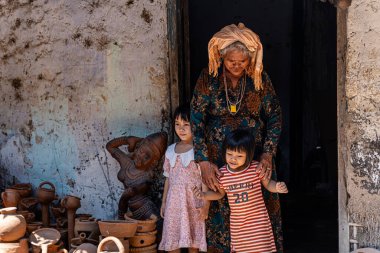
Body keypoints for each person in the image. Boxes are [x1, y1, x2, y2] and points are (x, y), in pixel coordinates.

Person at [190, 23, 283, 252]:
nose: (237, 65)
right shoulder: (208, 78)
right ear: (222, 57)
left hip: (253, 156)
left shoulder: (258, 77)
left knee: (257, 205)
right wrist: (203, 160)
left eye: (242, 61)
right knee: (219, 206)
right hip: (218, 159)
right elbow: (196, 119)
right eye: (232, 60)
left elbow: (275, 117)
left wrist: (267, 154)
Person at [193, 129, 288, 253]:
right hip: (239, 225)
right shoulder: (223, 174)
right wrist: (204, 195)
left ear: (248, 155)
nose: (233, 159)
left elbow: (268, 184)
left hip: (258, 222)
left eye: (239, 156)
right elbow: (219, 194)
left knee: (262, 249)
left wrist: (277, 187)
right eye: (230, 154)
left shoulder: (255, 168)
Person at [159, 104, 208, 253]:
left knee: (193, 242)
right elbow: (168, 178)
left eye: (186, 125)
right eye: (177, 124)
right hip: (174, 203)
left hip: (193, 202)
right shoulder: (170, 150)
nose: (181, 129)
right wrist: (164, 202)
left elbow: (205, 180)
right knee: (173, 240)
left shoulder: (199, 151)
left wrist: (206, 206)